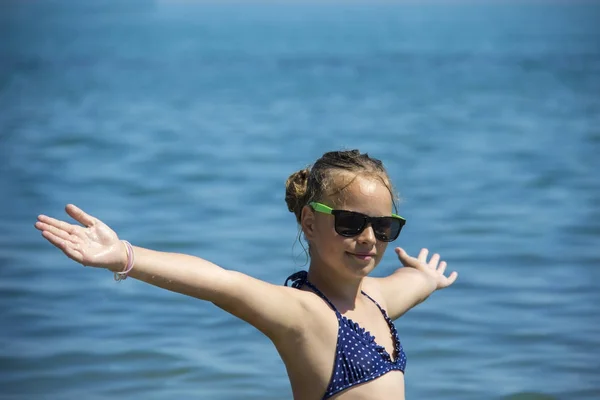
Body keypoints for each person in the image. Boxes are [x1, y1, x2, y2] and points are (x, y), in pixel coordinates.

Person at [34, 149, 457, 400]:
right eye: (350, 223)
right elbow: (221, 282)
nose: (368, 238)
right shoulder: (303, 314)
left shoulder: (377, 301)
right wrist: (125, 255)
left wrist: (427, 278)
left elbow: (411, 285)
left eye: (384, 227)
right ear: (309, 223)